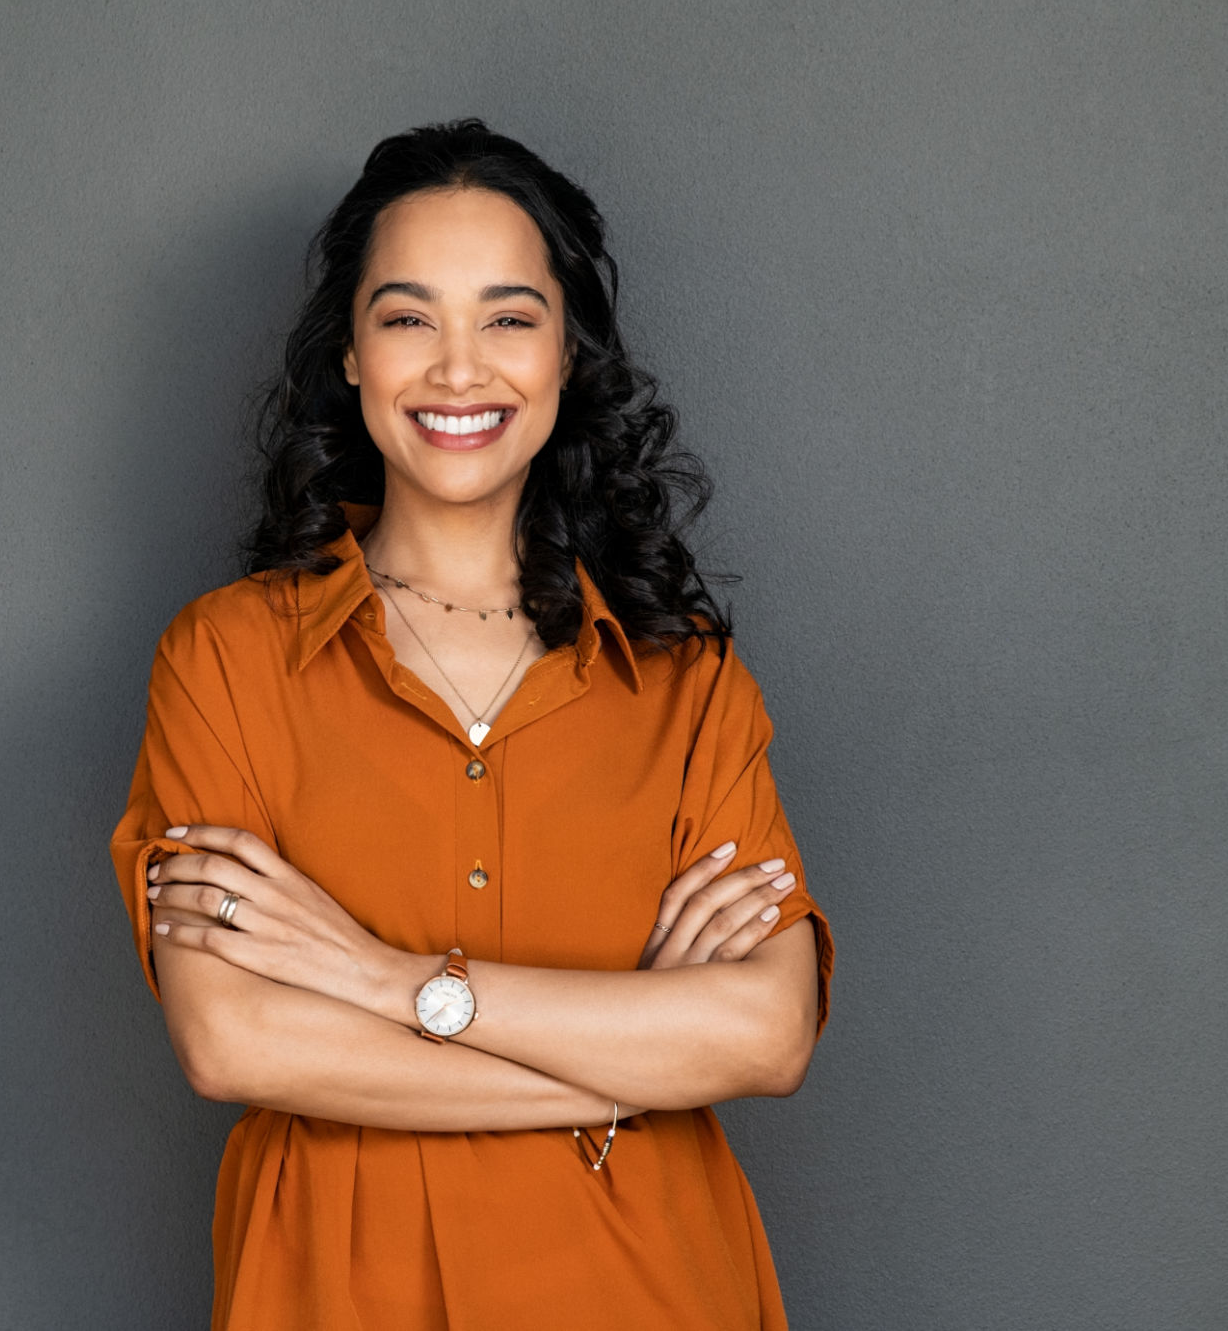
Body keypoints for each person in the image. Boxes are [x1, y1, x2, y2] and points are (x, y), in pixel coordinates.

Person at [108, 118, 834, 1330]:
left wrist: (377, 979)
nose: (458, 370)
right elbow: (232, 1043)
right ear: (348, 353)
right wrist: (616, 1069)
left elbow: (765, 1034)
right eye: (406, 318)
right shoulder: (226, 659)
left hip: (649, 1290)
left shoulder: (687, 685)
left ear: (565, 354)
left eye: (507, 317)